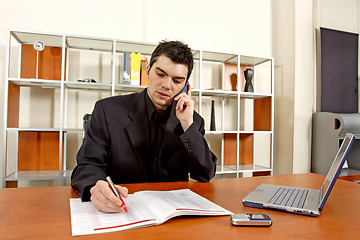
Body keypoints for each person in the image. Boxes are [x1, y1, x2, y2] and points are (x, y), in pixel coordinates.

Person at [71, 40, 217, 213]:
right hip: (121, 209)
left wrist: (187, 125)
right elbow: (86, 165)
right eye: (160, 74)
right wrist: (95, 187)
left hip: (171, 214)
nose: (167, 85)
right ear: (147, 70)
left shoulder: (192, 121)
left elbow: (205, 173)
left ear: (186, 87)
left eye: (177, 80)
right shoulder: (107, 110)